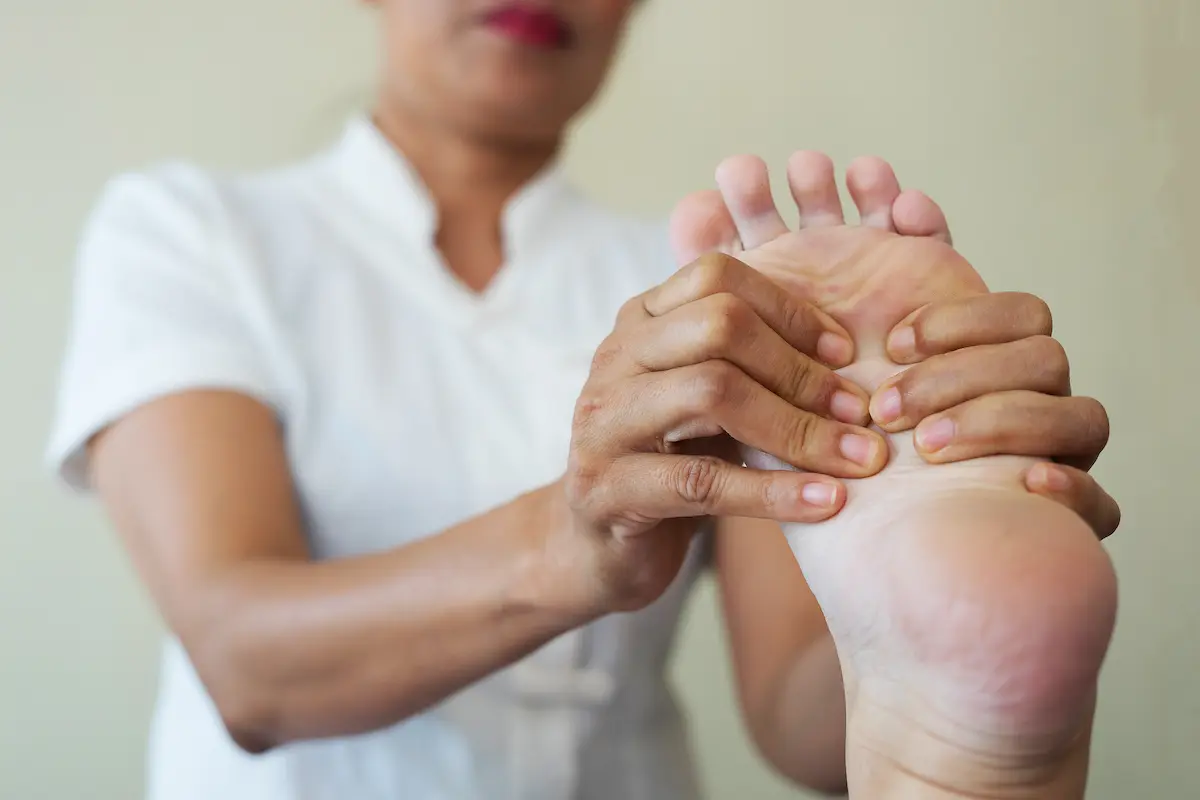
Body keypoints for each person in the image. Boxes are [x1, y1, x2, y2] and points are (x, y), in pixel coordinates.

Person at [46, 1, 1119, 799]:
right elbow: (247, 662)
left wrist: (934, 589)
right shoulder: (188, 232)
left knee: (933, 675)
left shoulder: (726, 279)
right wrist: (570, 540)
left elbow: (798, 708)